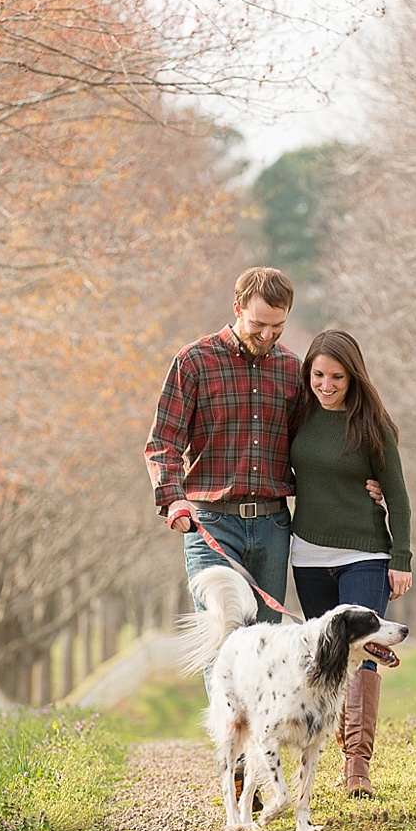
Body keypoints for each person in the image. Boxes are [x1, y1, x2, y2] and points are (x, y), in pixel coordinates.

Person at [289, 329, 413, 799]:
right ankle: (317, 754)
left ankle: (357, 764)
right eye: (318, 375)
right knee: (327, 657)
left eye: (336, 376)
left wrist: (401, 556)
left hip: (365, 551)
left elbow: (397, 495)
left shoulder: (371, 425)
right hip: (308, 555)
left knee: (362, 651)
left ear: (353, 376)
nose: (326, 384)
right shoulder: (299, 415)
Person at [145, 266, 301, 625]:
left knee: (265, 646)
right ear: (237, 308)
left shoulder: (292, 369)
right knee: (222, 638)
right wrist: (172, 497)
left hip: (273, 526)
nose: (267, 335)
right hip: (210, 522)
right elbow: (163, 440)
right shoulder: (194, 361)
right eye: (258, 324)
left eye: (277, 326)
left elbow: (307, 448)